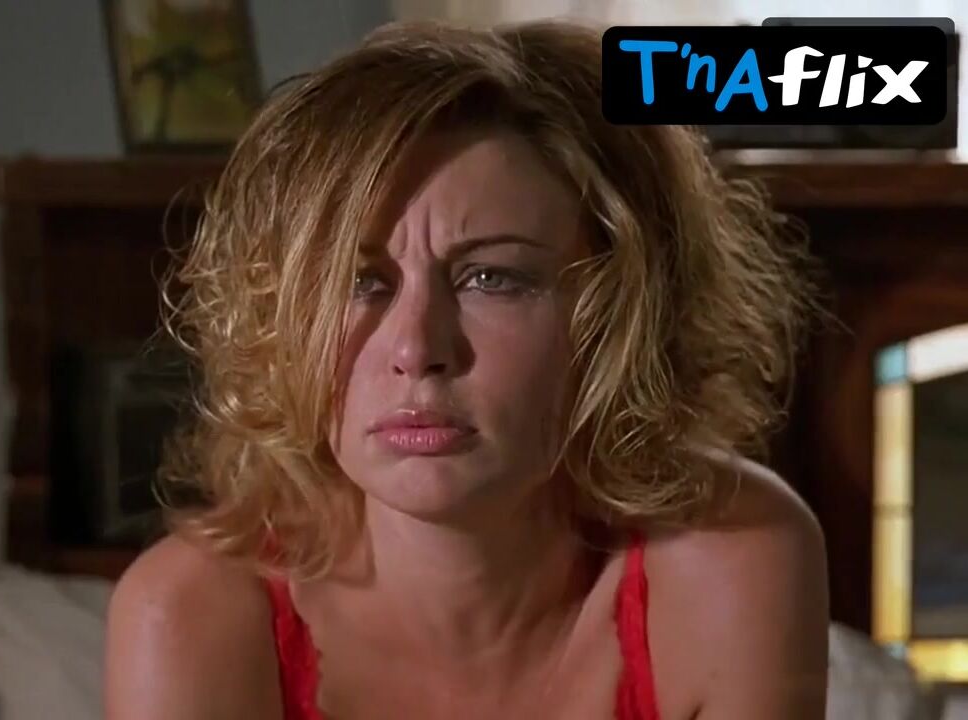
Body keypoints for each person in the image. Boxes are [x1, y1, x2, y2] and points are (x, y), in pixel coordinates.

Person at [104, 18, 829, 720]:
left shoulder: (730, 563)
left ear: (619, 315)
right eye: (359, 282)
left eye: (492, 279)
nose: (417, 349)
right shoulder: (191, 617)